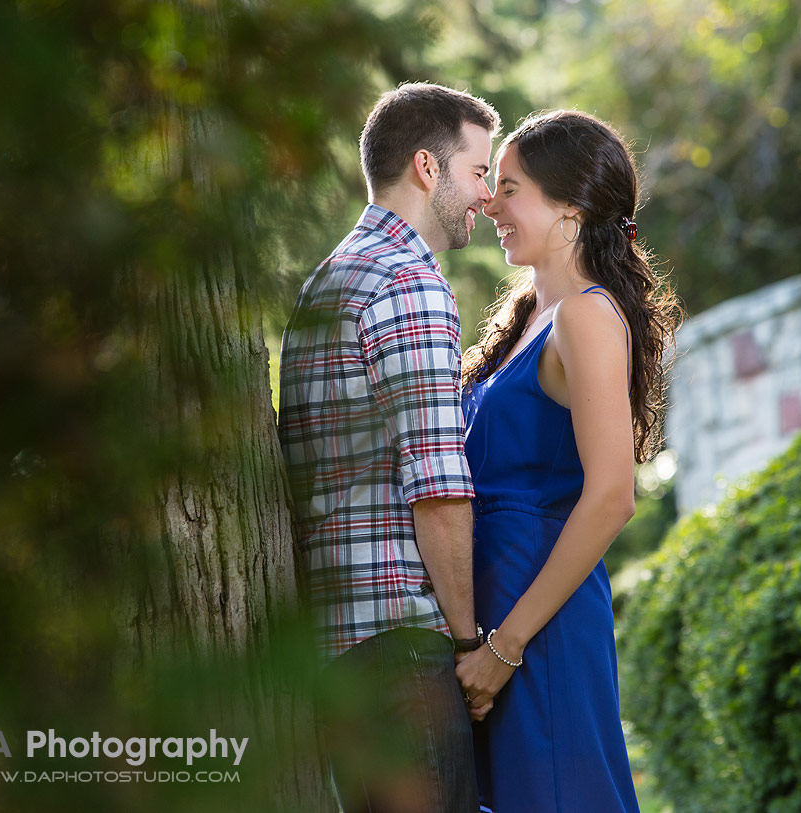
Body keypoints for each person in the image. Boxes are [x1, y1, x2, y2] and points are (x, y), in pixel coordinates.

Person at [277, 82, 499, 812]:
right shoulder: (409, 283)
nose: (487, 195)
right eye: (477, 171)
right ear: (428, 169)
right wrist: (469, 644)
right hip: (404, 648)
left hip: (341, 649)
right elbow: (437, 487)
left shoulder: (331, 277)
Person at [455, 110, 680, 813]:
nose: (490, 202)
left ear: (570, 210)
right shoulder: (526, 313)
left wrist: (507, 647)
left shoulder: (585, 314)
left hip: (537, 628)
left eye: (511, 188)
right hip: (493, 617)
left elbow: (613, 496)